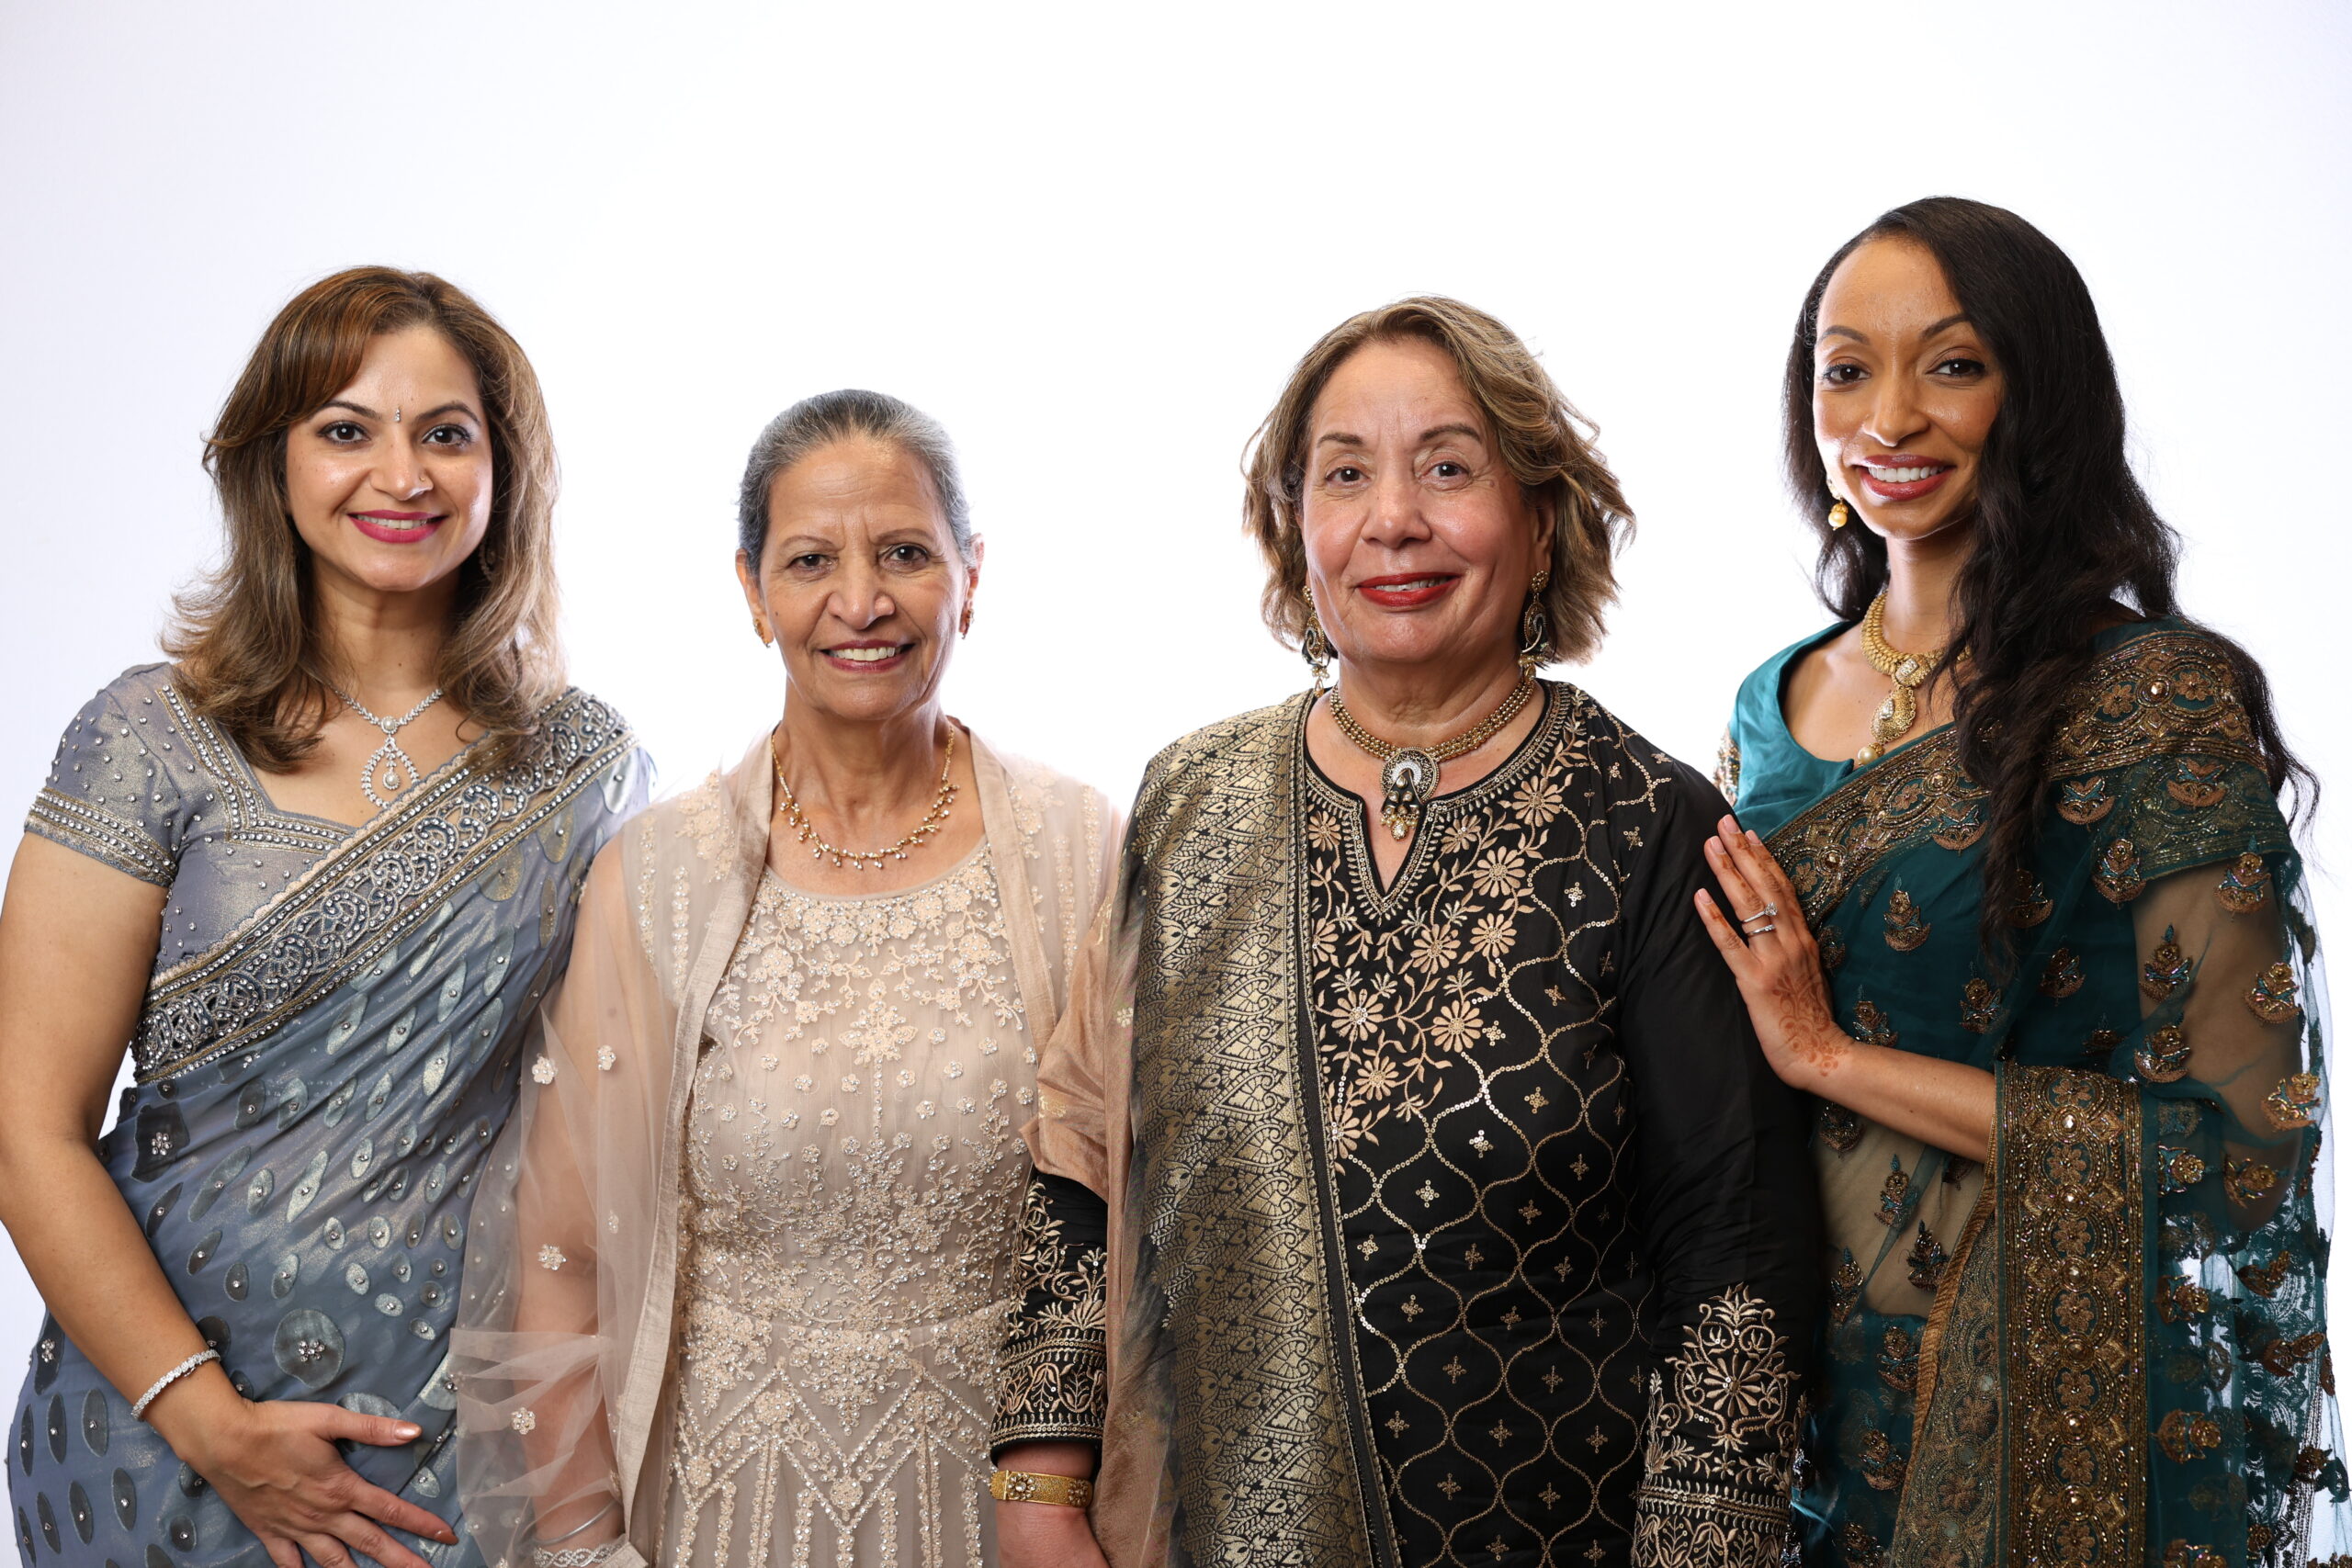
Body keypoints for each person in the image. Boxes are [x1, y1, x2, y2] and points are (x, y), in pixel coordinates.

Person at [991, 298, 1821, 1568]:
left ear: (1542, 522)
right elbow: (1078, 1154)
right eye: (1346, 474)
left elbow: (1737, 1265)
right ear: (1296, 531)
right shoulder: (1193, 798)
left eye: (1449, 466)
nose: (1396, 518)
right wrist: (1040, 1495)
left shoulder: (1648, 823)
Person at [1699, 197, 2345, 1567]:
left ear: (2036, 392)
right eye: (1845, 367)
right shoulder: (1768, 704)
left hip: (2044, 1407)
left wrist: (1825, 1051)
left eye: (1952, 363)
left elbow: (2238, 1143)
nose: (1888, 418)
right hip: (1793, 1410)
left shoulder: (2153, 701)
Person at [0, 267, 642, 1568]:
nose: (398, 473)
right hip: (162, 1437)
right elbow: (27, 1127)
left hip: (470, 1440)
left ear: (504, 470)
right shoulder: (150, 736)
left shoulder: (584, 766)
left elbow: (624, 1116)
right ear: (269, 463)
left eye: (444, 433)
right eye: (346, 428)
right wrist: (206, 1415)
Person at [452, 389, 1119, 1568]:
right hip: (729, 1506)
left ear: (971, 574)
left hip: (1007, 1512)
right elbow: (560, 1260)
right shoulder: (658, 876)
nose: (859, 602)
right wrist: (582, 1547)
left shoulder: (1076, 850)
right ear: (753, 592)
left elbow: (1129, 1224)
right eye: (811, 560)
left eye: (904, 554)